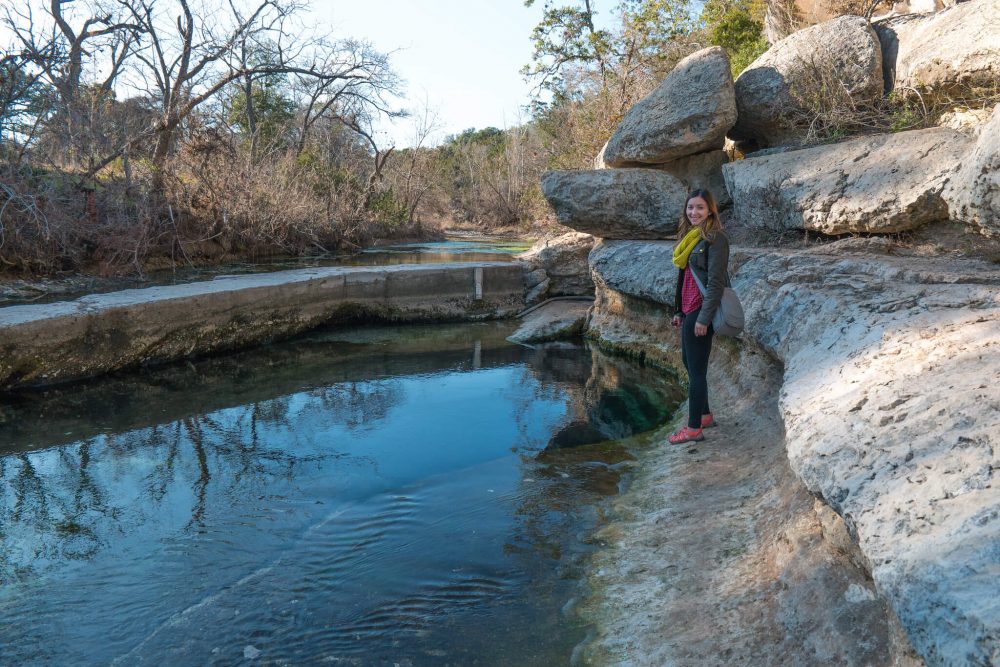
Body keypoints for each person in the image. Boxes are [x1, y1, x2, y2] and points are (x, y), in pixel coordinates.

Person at [667, 189, 730, 445]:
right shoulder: (690, 237)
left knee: (697, 371)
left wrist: (704, 319)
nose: (694, 212)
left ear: (711, 211)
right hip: (689, 309)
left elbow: (715, 283)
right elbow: (683, 278)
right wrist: (678, 310)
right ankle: (704, 415)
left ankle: (693, 429)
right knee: (689, 362)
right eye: (690, 207)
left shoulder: (717, 239)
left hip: (702, 310)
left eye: (700, 208)